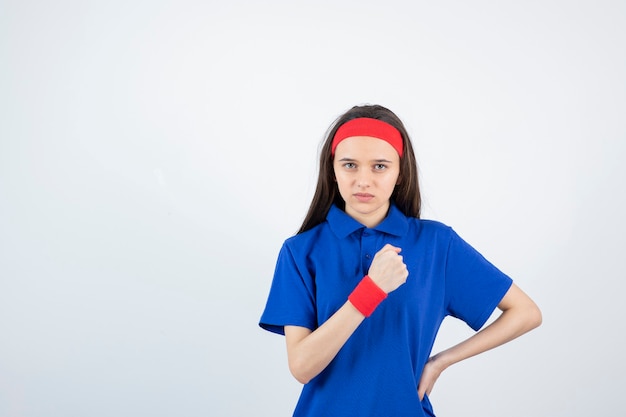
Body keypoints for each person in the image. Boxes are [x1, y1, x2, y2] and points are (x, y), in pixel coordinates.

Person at [259, 104, 542, 417]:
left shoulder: (437, 244)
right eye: (350, 165)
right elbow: (302, 367)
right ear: (333, 170)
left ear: (399, 173)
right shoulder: (300, 252)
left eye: (379, 166)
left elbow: (525, 312)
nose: (363, 180)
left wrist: (440, 361)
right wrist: (372, 290)